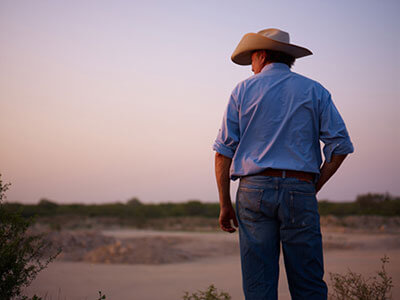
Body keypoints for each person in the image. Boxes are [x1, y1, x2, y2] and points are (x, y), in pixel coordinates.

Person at [213, 28, 354, 300]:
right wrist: (314, 184)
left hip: (253, 191)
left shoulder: (242, 90)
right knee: (309, 284)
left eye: (252, 60)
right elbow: (340, 147)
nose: (251, 68)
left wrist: (224, 203)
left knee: (259, 286)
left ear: (262, 56)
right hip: (300, 188)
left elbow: (222, 152)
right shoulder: (315, 90)